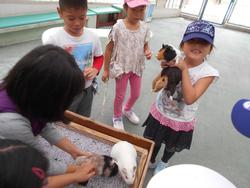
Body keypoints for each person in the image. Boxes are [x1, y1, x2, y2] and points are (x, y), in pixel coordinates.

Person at [0, 45, 96, 187]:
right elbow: (34, 162)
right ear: (48, 96)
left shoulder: (25, 89)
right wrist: (77, 172)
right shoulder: (11, 124)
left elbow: (45, 124)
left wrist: (75, 151)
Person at [142, 20, 220, 174]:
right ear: (182, 44)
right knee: (154, 140)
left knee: (171, 146)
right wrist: (165, 70)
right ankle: (151, 159)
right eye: (192, 40)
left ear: (210, 49)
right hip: (161, 111)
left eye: (203, 42)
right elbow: (159, 82)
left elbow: (190, 98)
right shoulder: (176, 58)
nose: (197, 45)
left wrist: (184, 70)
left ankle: (163, 162)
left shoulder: (208, 73)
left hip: (180, 118)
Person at [42, 0, 103, 117]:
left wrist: (95, 69)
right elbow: (47, 68)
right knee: (65, 118)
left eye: (82, 17)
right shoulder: (54, 39)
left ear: (86, 12)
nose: (77, 23)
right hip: (66, 92)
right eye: (71, 18)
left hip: (87, 88)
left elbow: (99, 57)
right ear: (60, 12)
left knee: (84, 118)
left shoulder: (93, 36)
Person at [101, 0, 152, 130]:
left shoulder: (145, 27)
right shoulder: (118, 27)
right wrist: (105, 70)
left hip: (136, 67)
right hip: (122, 68)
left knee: (136, 94)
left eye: (141, 9)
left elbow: (145, 44)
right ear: (125, 7)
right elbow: (108, 49)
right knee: (120, 95)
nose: (138, 13)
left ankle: (127, 109)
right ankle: (117, 116)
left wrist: (147, 51)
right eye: (134, 9)